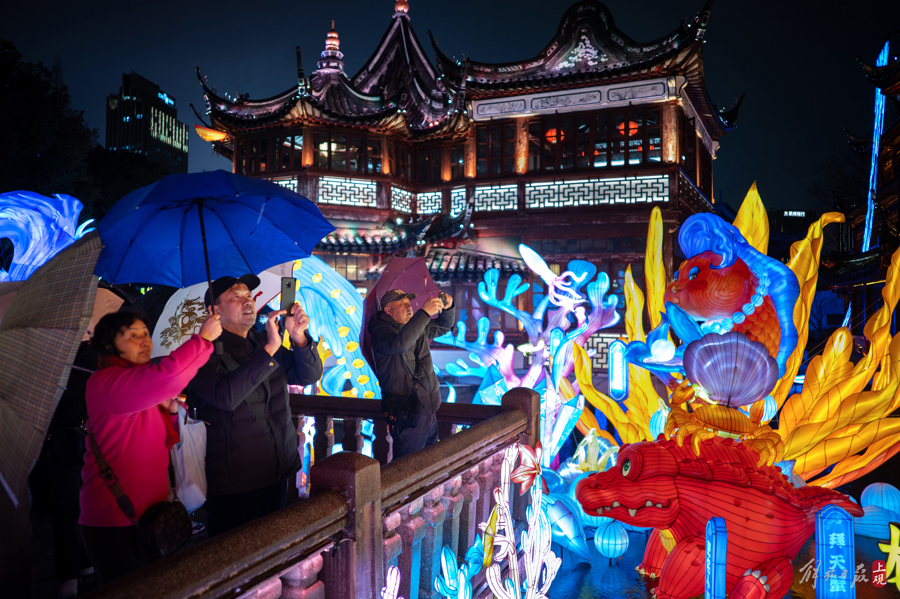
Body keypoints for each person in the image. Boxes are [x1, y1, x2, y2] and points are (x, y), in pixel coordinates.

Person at [79, 310, 222, 584]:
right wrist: (202, 340)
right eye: (132, 335)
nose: (144, 340)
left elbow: (155, 435)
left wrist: (169, 412)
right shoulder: (108, 381)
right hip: (117, 520)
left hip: (148, 516)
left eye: (145, 333)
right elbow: (168, 376)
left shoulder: (134, 380)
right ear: (109, 345)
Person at [187, 274, 323, 537]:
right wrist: (270, 349)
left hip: (278, 467)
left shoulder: (261, 342)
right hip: (236, 480)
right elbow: (226, 397)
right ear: (214, 310)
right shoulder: (201, 352)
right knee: (236, 552)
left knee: (275, 548)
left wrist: (299, 338)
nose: (247, 301)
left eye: (249, 296)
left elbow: (308, 375)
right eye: (236, 296)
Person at [367, 289, 454, 460]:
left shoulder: (415, 325)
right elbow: (399, 344)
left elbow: (443, 327)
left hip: (429, 408)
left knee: (430, 464)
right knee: (409, 465)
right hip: (407, 411)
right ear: (388, 310)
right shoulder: (380, 331)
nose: (409, 307)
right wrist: (424, 313)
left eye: (409, 303)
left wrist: (447, 309)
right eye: (402, 304)